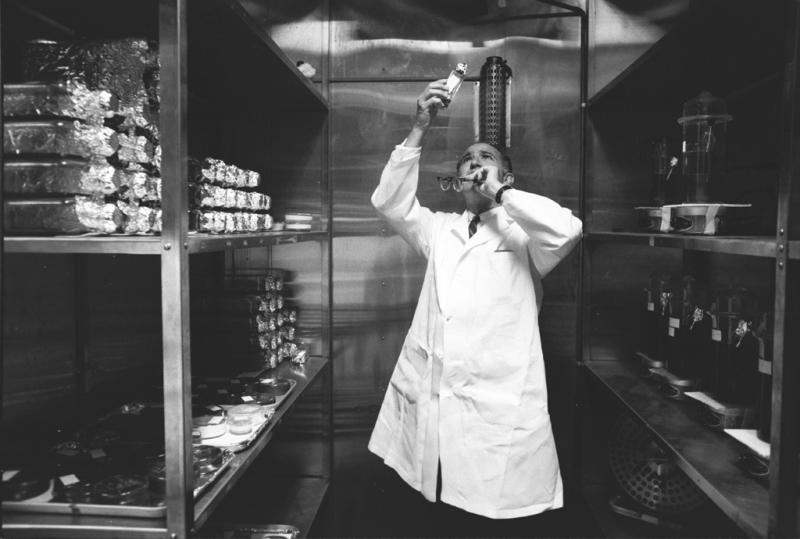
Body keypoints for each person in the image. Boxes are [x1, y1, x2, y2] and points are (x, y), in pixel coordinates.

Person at [367, 79, 583, 536]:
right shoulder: (440, 229)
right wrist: (419, 127)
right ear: (459, 178)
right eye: (469, 159)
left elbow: (567, 231)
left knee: (494, 519)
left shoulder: (524, 235)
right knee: (436, 512)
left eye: (488, 159)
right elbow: (389, 203)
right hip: (437, 401)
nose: (476, 163)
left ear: (507, 176)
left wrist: (501, 195)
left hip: (498, 408)